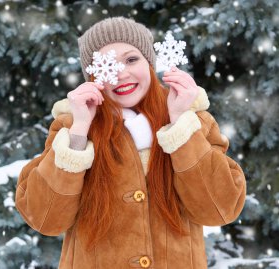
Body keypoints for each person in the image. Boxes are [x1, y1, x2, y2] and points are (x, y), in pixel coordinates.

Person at [15, 16, 246, 269]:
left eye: (131, 59)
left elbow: (220, 209)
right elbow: (46, 219)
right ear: (93, 76)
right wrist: (79, 131)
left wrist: (180, 124)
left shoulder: (194, 121)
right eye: (108, 64)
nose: (122, 73)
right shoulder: (71, 129)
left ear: (149, 62)